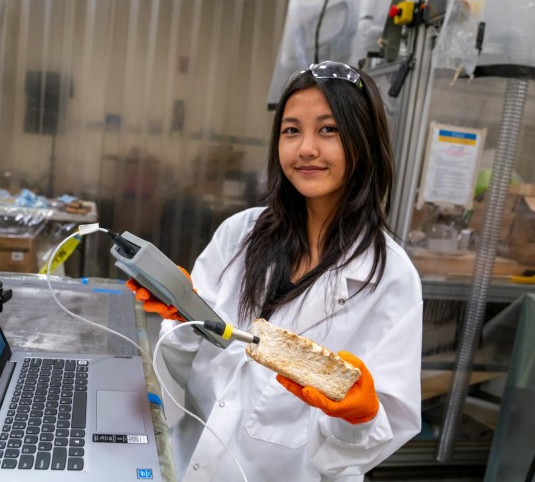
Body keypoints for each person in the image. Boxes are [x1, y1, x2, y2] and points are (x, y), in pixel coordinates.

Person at [128, 61, 423, 481]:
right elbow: (182, 370)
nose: (305, 148)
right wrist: (185, 315)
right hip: (187, 458)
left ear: (365, 141)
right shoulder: (240, 233)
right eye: (291, 130)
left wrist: (360, 415)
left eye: (329, 129)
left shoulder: (389, 277)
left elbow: (382, 431)